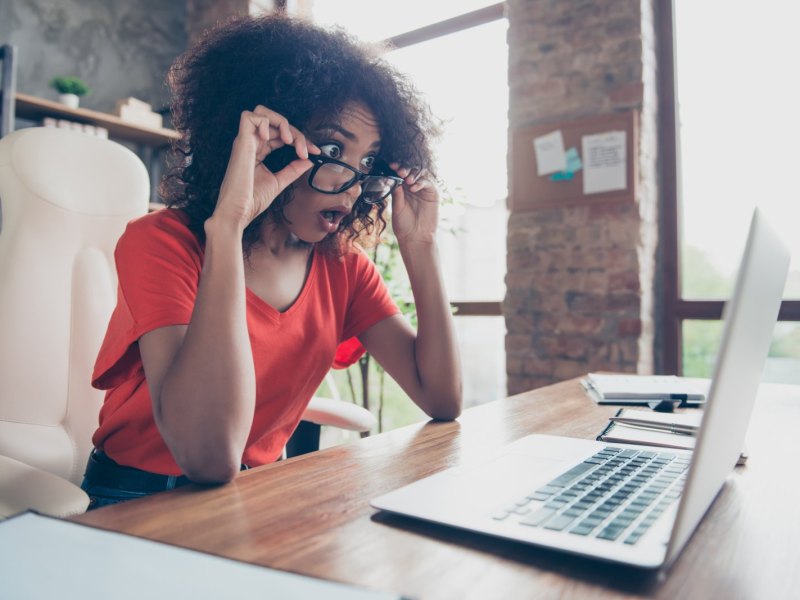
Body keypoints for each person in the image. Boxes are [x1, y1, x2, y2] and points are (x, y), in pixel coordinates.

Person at [80, 13, 462, 509]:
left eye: (368, 163)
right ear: (267, 143)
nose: (352, 185)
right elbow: (209, 456)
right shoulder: (161, 243)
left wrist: (421, 247)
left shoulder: (344, 269)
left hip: (256, 497)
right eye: (330, 148)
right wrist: (229, 225)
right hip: (134, 497)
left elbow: (442, 398)